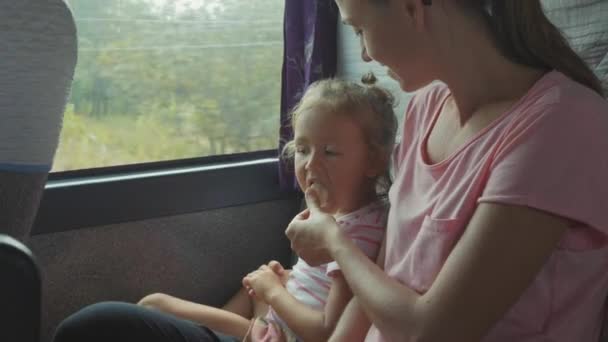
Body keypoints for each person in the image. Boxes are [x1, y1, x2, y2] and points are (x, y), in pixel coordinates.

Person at [285, 1, 608, 341]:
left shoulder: (560, 124)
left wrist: (335, 242)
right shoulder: (424, 108)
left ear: (411, 9)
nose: (364, 54)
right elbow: (383, 274)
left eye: (360, 30)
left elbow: (431, 332)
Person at [52, 76, 398, 342]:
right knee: (155, 304)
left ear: (374, 160)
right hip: (269, 324)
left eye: (330, 152)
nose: (310, 165)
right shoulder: (333, 217)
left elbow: (326, 330)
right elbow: (316, 290)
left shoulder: (357, 233)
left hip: (279, 333)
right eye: (303, 149)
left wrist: (273, 293)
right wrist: (284, 281)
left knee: (142, 311)